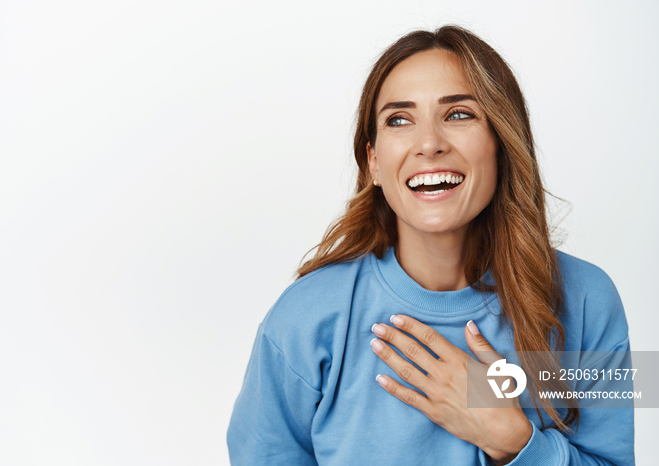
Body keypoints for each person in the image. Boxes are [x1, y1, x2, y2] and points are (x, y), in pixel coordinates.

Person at [227, 26, 633, 465]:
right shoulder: (302, 318)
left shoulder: (590, 299)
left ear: (502, 143)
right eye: (399, 120)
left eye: (459, 114)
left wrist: (513, 440)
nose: (429, 145)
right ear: (374, 162)